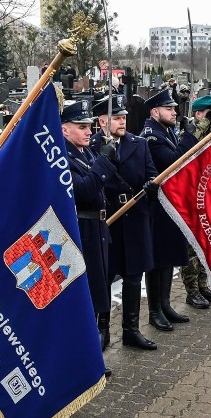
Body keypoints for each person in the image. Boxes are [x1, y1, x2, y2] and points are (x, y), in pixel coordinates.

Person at [90, 94, 159, 350]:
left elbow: (152, 174)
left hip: (135, 218)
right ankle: (103, 329)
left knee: (133, 277)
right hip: (108, 220)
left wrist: (151, 187)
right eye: (117, 118)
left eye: (124, 117)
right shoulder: (92, 146)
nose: (122, 122)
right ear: (102, 121)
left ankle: (131, 329)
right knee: (105, 277)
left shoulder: (139, 144)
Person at [60, 100, 115, 374]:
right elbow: (82, 191)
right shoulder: (62, 158)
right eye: (81, 127)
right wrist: (104, 161)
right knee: (83, 299)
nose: (88, 131)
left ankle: (90, 359)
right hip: (82, 232)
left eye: (88, 126)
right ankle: (80, 363)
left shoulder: (86, 152)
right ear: (64, 129)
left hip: (98, 230)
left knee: (95, 295)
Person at [141, 88, 199, 331]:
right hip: (157, 208)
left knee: (167, 258)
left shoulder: (164, 131)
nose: (174, 112)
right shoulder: (151, 137)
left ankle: (164, 305)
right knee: (157, 260)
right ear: (155, 112)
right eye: (169, 109)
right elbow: (173, 163)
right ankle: (155, 311)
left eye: (174, 108)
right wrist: (189, 135)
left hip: (169, 205)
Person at [181, 95, 211, 310]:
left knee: (206, 242)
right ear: (198, 114)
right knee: (192, 246)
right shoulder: (187, 133)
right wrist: (203, 125)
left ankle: (203, 284)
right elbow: (189, 151)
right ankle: (191, 290)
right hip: (192, 194)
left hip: (208, 193)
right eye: (208, 114)